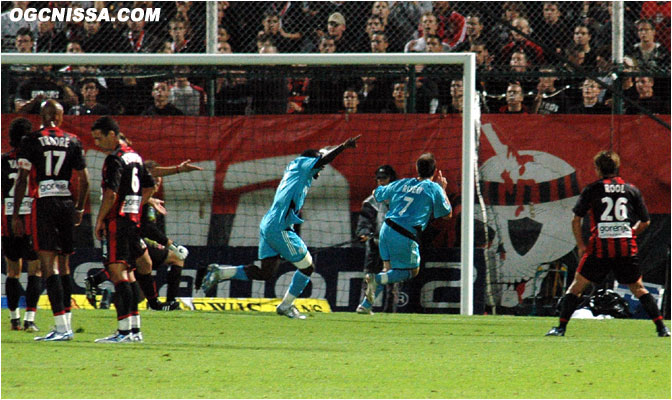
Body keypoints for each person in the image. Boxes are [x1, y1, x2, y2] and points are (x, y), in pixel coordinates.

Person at [202, 136, 361, 319]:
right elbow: (323, 158)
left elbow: (322, 154)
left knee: (265, 273)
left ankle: (220, 272)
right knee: (307, 267)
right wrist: (343, 147)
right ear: (312, 160)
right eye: (319, 165)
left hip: (269, 223)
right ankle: (285, 306)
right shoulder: (304, 165)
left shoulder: (295, 168)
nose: (321, 170)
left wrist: (330, 148)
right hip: (279, 227)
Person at [547, 151, 670, 337]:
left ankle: (561, 328)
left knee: (577, 287)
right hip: (624, 248)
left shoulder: (593, 189)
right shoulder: (631, 189)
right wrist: (628, 234)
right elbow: (646, 221)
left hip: (599, 248)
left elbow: (576, 219)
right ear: (616, 167)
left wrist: (581, 245)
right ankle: (662, 328)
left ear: (598, 169)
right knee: (638, 288)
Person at [12, 100, 90, 341]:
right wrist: (79, 208)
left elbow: (22, 179)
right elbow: (85, 181)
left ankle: (61, 328)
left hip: (44, 203)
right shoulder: (74, 140)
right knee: (65, 265)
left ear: (43, 117)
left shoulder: (31, 140)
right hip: (66, 204)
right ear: (61, 116)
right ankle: (67, 321)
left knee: (48, 266)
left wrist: (15, 214)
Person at [85, 155, 200, 310]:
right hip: (119, 227)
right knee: (128, 268)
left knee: (136, 272)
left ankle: (104, 288)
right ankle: (159, 304)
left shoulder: (144, 195)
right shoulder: (133, 187)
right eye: (155, 178)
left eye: (159, 179)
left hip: (131, 232)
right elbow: (147, 227)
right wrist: (170, 244)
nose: (157, 182)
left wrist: (179, 169)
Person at [357, 153, 452, 314]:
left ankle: (365, 306)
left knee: (389, 270)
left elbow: (376, 193)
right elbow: (447, 214)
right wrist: (443, 190)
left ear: (417, 169)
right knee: (411, 271)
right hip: (404, 234)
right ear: (434, 171)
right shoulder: (433, 188)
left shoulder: (401, 183)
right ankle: (375, 279)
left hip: (385, 231)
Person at [90, 116, 156, 343]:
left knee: (118, 275)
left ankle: (124, 331)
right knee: (128, 274)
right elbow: (151, 185)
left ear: (112, 134)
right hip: (133, 222)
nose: (98, 144)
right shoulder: (135, 156)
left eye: (100, 138)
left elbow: (111, 194)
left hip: (117, 222)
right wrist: (137, 206)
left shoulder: (115, 159)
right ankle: (134, 330)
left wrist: (100, 220)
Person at [2, 118, 42, 332]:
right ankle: (30, 319)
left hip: (7, 219)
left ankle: (14, 319)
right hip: (30, 218)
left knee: (12, 271)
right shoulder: (33, 160)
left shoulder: (2, 160)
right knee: (35, 270)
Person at [355, 165, 398, 315]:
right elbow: (364, 221)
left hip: (394, 244)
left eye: (384, 178)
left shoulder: (400, 199)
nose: (380, 182)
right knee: (370, 276)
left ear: (391, 179)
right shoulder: (371, 201)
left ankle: (390, 311)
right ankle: (364, 305)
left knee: (392, 280)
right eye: (378, 179)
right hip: (375, 244)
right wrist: (364, 232)